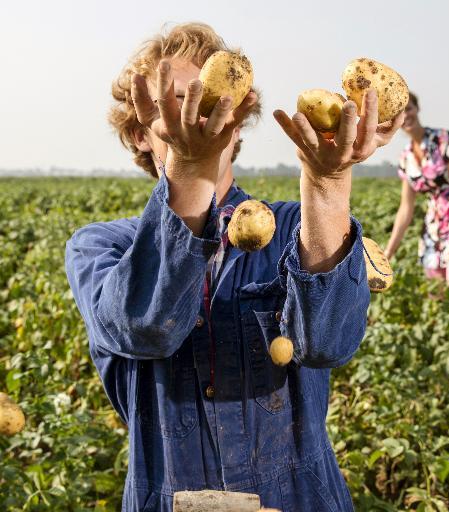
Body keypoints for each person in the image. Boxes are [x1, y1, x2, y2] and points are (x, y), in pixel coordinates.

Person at [65, 22, 404, 511]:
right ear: (141, 132)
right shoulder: (101, 248)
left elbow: (327, 342)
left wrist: (328, 183)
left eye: (212, 99)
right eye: (178, 101)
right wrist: (189, 170)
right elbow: (144, 327)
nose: (199, 116)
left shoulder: (296, 226)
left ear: (239, 120)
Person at [384, 92, 449, 300]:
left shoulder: (444, 140)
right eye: (398, 114)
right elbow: (406, 209)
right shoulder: (406, 158)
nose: (405, 115)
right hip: (434, 227)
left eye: (408, 108)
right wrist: (388, 252)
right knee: (436, 298)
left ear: (417, 109)